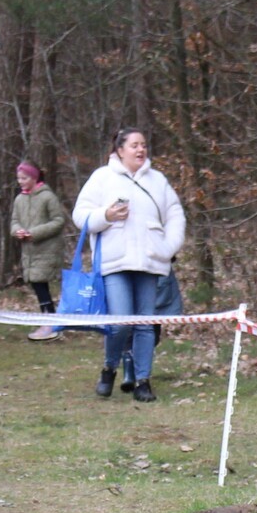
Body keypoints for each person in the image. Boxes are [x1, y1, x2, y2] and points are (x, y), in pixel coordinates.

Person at [72, 127, 187, 403]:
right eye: (134, 145)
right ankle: (109, 368)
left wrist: (167, 248)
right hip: (115, 263)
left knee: (145, 324)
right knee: (121, 322)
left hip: (150, 262)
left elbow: (175, 215)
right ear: (120, 150)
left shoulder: (158, 180)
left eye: (143, 145)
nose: (140, 150)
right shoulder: (102, 177)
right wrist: (106, 215)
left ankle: (142, 381)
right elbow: (80, 216)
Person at [11, 160, 67, 341]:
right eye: (19, 178)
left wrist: (34, 233)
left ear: (34, 178)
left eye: (24, 178)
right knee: (37, 285)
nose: (20, 181)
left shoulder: (48, 197)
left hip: (46, 249)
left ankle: (49, 322)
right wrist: (18, 231)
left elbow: (58, 221)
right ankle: (49, 319)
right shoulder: (19, 199)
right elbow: (14, 221)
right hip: (29, 251)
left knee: (40, 284)